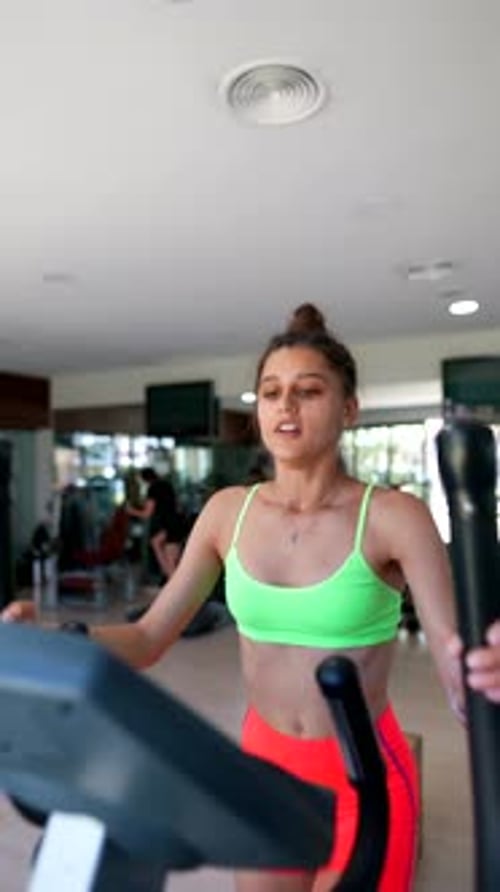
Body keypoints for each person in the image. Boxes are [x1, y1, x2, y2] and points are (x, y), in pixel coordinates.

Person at [3, 303, 500, 892]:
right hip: (263, 772)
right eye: (271, 392)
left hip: (363, 782)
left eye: (308, 391)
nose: (285, 406)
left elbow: (453, 666)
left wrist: (485, 673)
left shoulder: (393, 517)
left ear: (349, 410)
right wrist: (59, 642)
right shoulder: (226, 512)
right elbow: (147, 637)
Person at [126, 467, 184, 581]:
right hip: (175, 523)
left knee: (171, 562)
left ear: (145, 479)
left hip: (169, 526)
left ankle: (171, 582)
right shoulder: (167, 485)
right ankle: (167, 575)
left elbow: (147, 513)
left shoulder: (153, 489)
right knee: (156, 543)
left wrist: (131, 511)